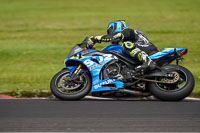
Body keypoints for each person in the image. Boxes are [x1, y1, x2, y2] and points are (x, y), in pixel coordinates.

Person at [87, 20, 159, 73]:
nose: (109, 34)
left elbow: (116, 36)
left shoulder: (129, 32)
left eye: (109, 32)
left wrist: (96, 39)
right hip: (144, 52)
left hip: (150, 52)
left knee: (126, 45)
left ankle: (147, 61)